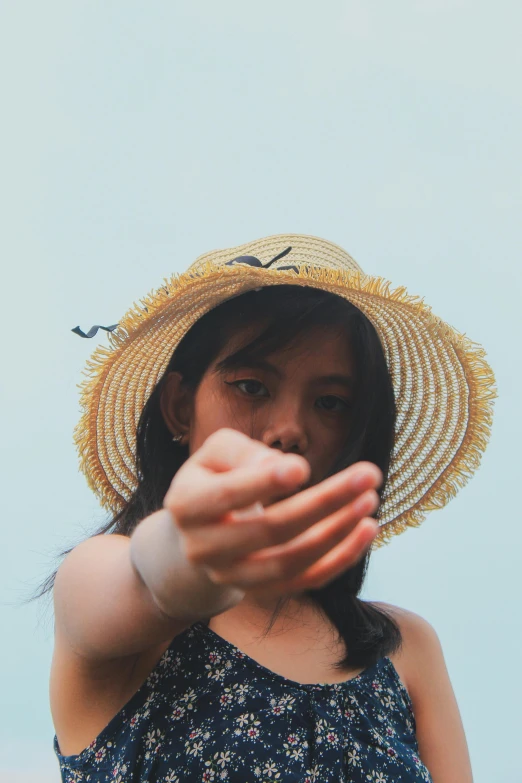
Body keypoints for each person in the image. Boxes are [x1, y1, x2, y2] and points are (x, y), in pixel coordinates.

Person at [45, 234, 496, 782]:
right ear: (179, 407)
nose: (289, 428)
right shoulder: (106, 595)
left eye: (330, 403)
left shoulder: (406, 651)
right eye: (252, 386)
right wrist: (190, 557)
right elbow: (148, 576)